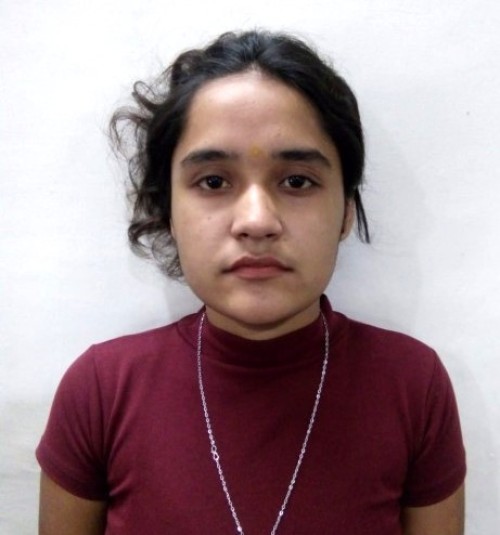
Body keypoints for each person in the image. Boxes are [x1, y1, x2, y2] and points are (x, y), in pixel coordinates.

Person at [36, 30, 466, 534]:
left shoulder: (413, 385)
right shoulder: (101, 391)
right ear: (168, 211)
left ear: (346, 211)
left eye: (297, 181)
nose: (257, 221)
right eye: (214, 181)